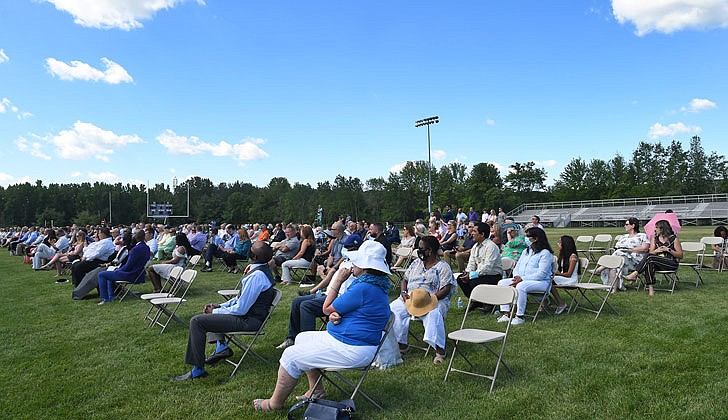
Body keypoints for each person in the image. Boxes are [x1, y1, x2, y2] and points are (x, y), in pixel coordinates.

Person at [252, 240, 391, 412]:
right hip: (356, 342)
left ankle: (274, 404)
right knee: (303, 338)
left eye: (356, 262)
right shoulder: (376, 285)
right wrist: (338, 315)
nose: (352, 265)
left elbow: (326, 308)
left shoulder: (363, 287)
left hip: (353, 348)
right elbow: (356, 312)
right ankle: (316, 389)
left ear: (364, 266)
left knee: (290, 355)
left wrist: (337, 281)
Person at [173, 241, 276, 381]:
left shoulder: (257, 276)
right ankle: (221, 347)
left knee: (197, 322)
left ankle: (198, 370)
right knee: (212, 310)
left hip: (249, 320)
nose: (249, 249)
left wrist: (216, 312)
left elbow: (241, 309)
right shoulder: (260, 269)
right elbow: (239, 299)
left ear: (255, 256)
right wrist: (219, 307)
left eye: (251, 249)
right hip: (247, 315)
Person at [275, 234, 362, 350]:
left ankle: (308, 344)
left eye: (350, 248)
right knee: (296, 302)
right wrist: (315, 289)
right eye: (347, 247)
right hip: (328, 293)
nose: (347, 250)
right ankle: (291, 338)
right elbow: (330, 278)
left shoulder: (359, 266)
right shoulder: (345, 261)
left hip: (339, 298)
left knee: (306, 306)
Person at [391, 236, 455, 364]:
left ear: (430, 250)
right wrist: (403, 292)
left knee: (433, 314)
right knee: (393, 310)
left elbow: (446, 288)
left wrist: (429, 299)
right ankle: (401, 344)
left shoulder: (443, 267)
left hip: (435, 298)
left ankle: (440, 350)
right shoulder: (416, 263)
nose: (418, 251)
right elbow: (405, 279)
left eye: (420, 249)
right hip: (411, 298)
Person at [496, 227, 554, 325]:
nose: (525, 238)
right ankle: (506, 313)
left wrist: (522, 279)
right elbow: (517, 266)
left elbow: (542, 274)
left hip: (541, 282)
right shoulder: (526, 251)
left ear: (535, 238)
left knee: (521, 286)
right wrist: (517, 277)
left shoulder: (545, 253)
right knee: (502, 282)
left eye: (528, 237)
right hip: (522, 279)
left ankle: (520, 316)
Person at [623, 220, 682, 296]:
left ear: (662, 228)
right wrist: (657, 250)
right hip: (657, 262)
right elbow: (651, 253)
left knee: (649, 258)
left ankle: (635, 273)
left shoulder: (674, 239)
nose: (655, 229)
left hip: (670, 263)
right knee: (649, 262)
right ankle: (651, 290)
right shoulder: (655, 239)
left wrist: (668, 250)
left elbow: (680, 255)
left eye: (657, 227)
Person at [457, 222, 503, 311]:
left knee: (473, 280)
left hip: (493, 276)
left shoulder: (491, 247)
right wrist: (467, 272)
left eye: (474, 231)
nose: (472, 233)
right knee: (461, 279)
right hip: (480, 273)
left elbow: (487, 267)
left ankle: (488, 303)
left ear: (482, 234)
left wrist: (471, 275)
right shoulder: (475, 247)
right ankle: (476, 301)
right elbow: (471, 263)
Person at [96, 230, 151, 304]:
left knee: (101, 275)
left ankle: (105, 299)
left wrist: (118, 270)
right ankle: (111, 296)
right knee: (109, 274)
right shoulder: (146, 247)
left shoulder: (135, 249)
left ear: (136, 237)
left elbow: (128, 266)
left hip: (131, 274)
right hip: (138, 274)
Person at [597, 217, 650, 291]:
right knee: (614, 265)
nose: (624, 226)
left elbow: (645, 249)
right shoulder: (623, 236)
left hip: (635, 261)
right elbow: (617, 247)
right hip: (621, 258)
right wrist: (620, 249)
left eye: (626, 224)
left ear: (633, 226)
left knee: (618, 257)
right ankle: (613, 290)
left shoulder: (642, 236)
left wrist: (629, 250)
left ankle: (600, 268)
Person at [551, 235, 581, 314]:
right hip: (562, 277)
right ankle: (547, 301)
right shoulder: (562, 256)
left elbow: (569, 274)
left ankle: (560, 303)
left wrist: (557, 273)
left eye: (560, 242)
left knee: (548, 281)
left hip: (570, 280)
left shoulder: (573, 257)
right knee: (545, 279)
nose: (558, 244)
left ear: (565, 244)